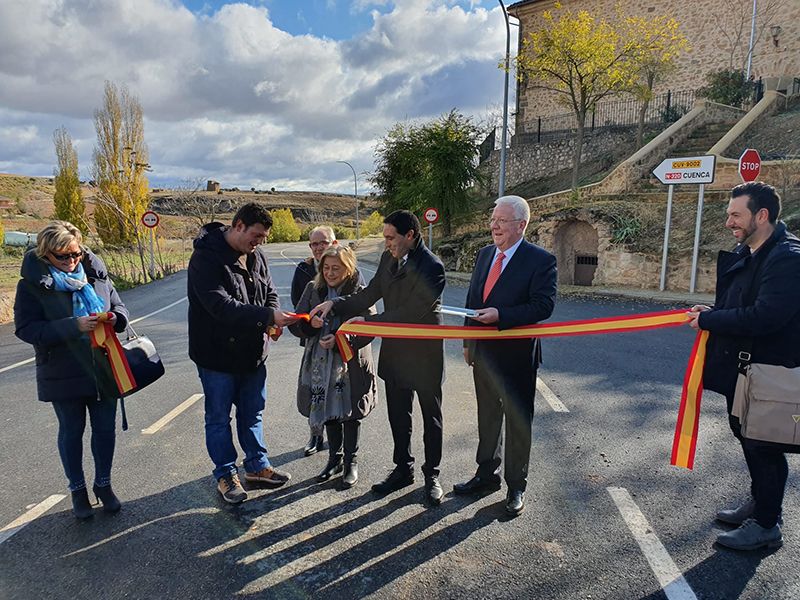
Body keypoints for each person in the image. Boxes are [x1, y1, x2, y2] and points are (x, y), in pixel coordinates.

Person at [687, 181, 800, 550]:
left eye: (736, 215)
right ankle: (761, 504)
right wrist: (714, 313)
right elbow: (741, 306)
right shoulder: (750, 251)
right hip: (744, 371)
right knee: (747, 439)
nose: (728, 222)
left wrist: (709, 322)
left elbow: (766, 317)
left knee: (763, 446)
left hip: (769, 374)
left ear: (762, 215)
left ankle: (767, 525)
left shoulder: (787, 257)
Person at [310, 210, 446, 506]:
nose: (386, 243)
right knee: (399, 414)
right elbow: (368, 294)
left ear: (410, 235)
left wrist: (370, 323)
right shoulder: (388, 259)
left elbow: (413, 313)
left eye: (390, 237)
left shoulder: (433, 267)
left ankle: (432, 476)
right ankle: (403, 469)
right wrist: (334, 304)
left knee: (430, 416)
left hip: (424, 354)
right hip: (396, 352)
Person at [14, 221, 130, 519]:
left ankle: (103, 485)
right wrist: (73, 326)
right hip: (61, 369)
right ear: (45, 254)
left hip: (103, 366)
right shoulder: (32, 284)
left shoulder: (96, 274)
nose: (71, 261)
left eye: (75, 254)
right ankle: (78, 492)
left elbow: (120, 307)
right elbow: (26, 329)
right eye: (62, 257)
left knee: (105, 430)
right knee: (71, 431)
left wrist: (115, 318)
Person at [188, 202, 298, 504]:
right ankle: (226, 474)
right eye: (256, 236)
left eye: (263, 238)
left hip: (253, 354)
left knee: (252, 413)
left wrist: (272, 315)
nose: (259, 242)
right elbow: (220, 307)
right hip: (216, 356)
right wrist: (266, 317)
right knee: (219, 418)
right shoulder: (205, 258)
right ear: (238, 226)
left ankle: (257, 467)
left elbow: (270, 291)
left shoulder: (256, 255)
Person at [454, 195, 557, 517]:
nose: (494, 226)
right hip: (483, 353)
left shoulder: (541, 260)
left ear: (521, 225)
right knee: (487, 417)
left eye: (501, 220)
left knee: (517, 421)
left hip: (516, 356)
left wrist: (502, 314)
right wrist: (468, 342)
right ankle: (486, 476)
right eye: (493, 219)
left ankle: (516, 486)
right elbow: (473, 299)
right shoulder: (485, 254)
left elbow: (543, 306)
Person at [289, 246, 377, 488]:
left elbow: (370, 327)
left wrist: (340, 341)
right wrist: (312, 327)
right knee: (327, 407)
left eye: (336, 268)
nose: (329, 272)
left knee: (350, 411)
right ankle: (334, 459)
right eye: (326, 267)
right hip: (318, 363)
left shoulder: (359, 292)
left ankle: (351, 462)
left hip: (351, 361)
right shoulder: (312, 288)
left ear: (348, 269)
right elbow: (296, 323)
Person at [290, 225, 338, 456]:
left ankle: (338, 442)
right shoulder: (303, 270)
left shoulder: (347, 269)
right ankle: (315, 434)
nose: (319, 248)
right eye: (314, 244)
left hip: (340, 344)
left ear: (334, 244)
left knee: (337, 392)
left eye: (324, 243)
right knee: (315, 389)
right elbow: (298, 310)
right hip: (313, 342)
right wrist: (310, 323)